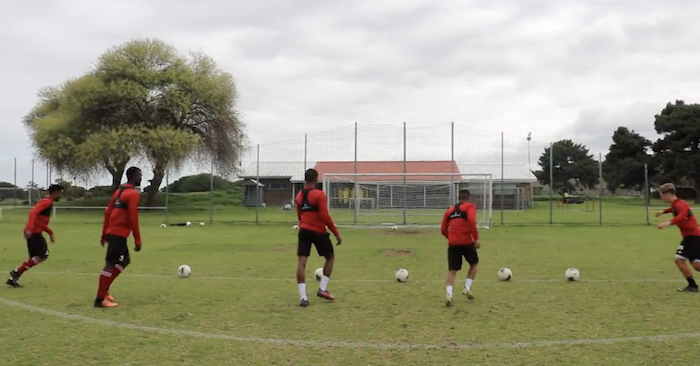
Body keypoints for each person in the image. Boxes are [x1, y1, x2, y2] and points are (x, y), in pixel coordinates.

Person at [94, 167, 143, 307]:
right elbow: (133, 218)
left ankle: (105, 289)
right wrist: (137, 239)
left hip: (113, 233)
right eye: (140, 176)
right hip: (118, 234)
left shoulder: (118, 192)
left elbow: (108, 213)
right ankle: (99, 299)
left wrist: (104, 233)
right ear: (134, 177)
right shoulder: (132, 194)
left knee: (124, 260)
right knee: (110, 265)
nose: (141, 179)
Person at [295, 168, 342, 307]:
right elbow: (324, 216)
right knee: (330, 257)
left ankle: (303, 298)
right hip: (318, 231)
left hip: (303, 230)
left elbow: (299, 216)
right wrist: (336, 233)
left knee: (301, 263)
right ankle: (322, 289)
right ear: (316, 179)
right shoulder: (319, 194)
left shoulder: (298, 196)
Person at [6, 184, 64, 287]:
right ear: (56, 192)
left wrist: (50, 232)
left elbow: (39, 222)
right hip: (34, 233)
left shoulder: (48, 202)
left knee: (34, 258)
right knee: (43, 255)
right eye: (60, 193)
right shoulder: (46, 202)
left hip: (35, 232)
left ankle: (13, 278)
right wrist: (29, 228)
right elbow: (33, 213)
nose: (61, 196)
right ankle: (16, 272)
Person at [656, 183, 700, 292]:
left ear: (668, 194)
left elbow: (682, 216)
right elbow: (673, 209)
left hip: (693, 237)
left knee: (679, 259)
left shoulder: (681, 204)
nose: (660, 197)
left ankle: (692, 286)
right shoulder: (675, 204)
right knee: (696, 265)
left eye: (661, 194)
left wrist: (668, 223)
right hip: (693, 237)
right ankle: (692, 286)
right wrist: (663, 212)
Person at [441, 189, 480, 306]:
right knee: (474, 264)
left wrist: (452, 237)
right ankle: (467, 288)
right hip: (467, 242)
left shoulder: (449, 210)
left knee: (452, 270)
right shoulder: (470, 207)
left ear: (458, 198)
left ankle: (449, 293)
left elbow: (443, 229)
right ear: (469, 198)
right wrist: (476, 238)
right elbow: (472, 221)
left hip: (453, 244)